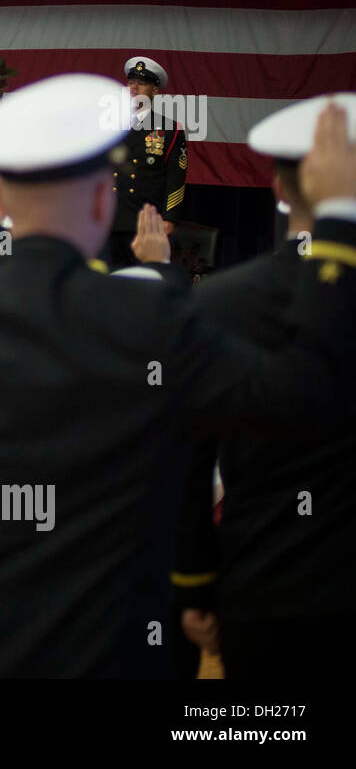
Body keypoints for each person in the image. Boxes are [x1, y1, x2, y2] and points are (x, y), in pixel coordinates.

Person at [0, 75, 356, 678]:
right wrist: (336, 223)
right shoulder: (159, 321)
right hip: (118, 649)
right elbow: (303, 395)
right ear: (103, 201)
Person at [175, 94, 356, 679]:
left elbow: (190, 458)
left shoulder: (223, 302)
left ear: (277, 189)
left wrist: (196, 584)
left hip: (262, 590)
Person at [108, 56, 187, 265]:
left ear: (154, 91)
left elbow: (176, 178)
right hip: (110, 219)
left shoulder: (169, 129)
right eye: (131, 82)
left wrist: (169, 218)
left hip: (146, 223)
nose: (134, 88)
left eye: (142, 83)